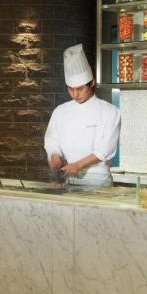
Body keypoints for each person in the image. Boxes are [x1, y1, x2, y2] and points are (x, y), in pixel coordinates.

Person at [44, 44, 121, 188]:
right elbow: (52, 141)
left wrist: (78, 165)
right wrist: (54, 158)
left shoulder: (110, 111)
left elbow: (105, 149)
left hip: (98, 182)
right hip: (68, 180)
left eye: (80, 89)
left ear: (91, 83)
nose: (75, 94)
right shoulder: (60, 111)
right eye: (70, 89)